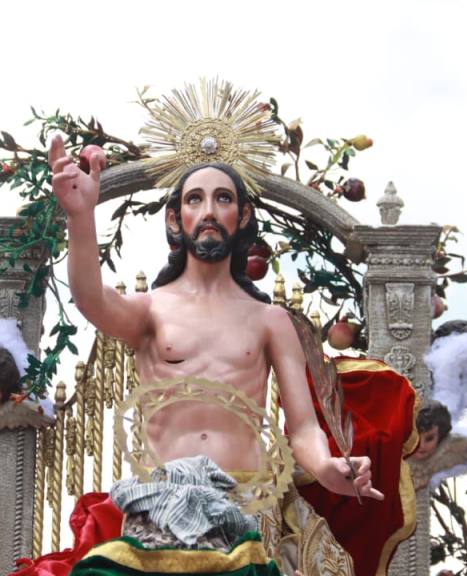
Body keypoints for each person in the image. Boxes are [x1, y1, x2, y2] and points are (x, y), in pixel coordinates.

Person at [26, 136, 381, 576]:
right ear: (176, 219)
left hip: (247, 507)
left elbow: (304, 426)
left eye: (223, 199)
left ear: (243, 215)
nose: (209, 211)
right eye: (195, 199)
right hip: (162, 504)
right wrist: (81, 217)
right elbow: (89, 299)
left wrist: (327, 468)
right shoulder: (150, 310)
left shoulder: (270, 320)